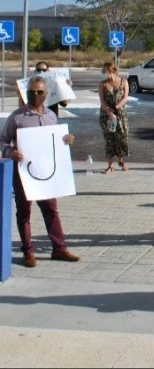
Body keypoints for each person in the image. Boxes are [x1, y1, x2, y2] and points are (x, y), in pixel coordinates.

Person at [0, 76, 80, 267]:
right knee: (24, 213)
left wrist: (67, 139)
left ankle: (59, 248)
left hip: (47, 174)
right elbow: (2, 140)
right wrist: (11, 152)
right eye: (31, 92)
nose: (35, 95)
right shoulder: (17, 117)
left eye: (39, 92)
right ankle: (28, 251)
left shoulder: (51, 116)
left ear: (46, 94)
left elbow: (57, 140)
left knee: (51, 210)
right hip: (24, 174)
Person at [98, 62, 130, 173]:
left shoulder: (123, 82)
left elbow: (125, 98)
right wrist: (109, 111)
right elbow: (102, 101)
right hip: (106, 115)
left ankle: (121, 162)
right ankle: (110, 165)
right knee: (109, 140)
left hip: (120, 114)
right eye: (104, 71)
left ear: (113, 71)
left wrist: (115, 108)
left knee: (121, 138)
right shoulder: (102, 84)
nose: (106, 74)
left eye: (107, 71)